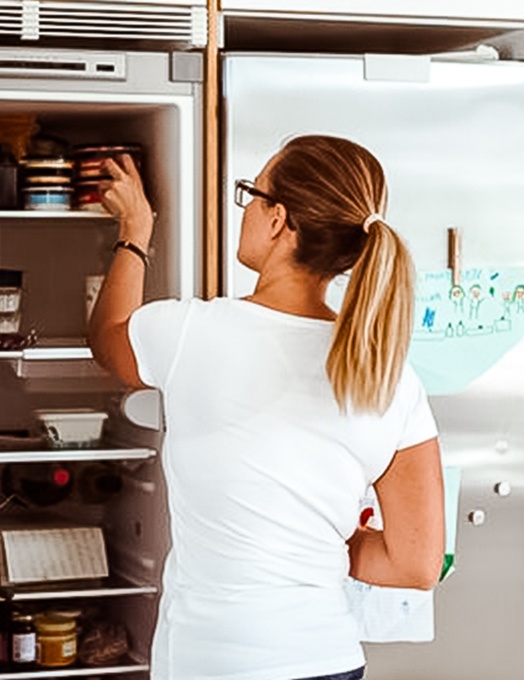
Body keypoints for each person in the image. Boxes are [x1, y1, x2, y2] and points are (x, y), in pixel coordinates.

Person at [88, 134, 445, 680]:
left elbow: (108, 339)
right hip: (329, 660)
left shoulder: (192, 333)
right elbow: (416, 565)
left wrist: (134, 233)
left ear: (278, 219)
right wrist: (316, 539)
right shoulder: (391, 378)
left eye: (251, 194)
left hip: (213, 663)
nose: (246, 208)